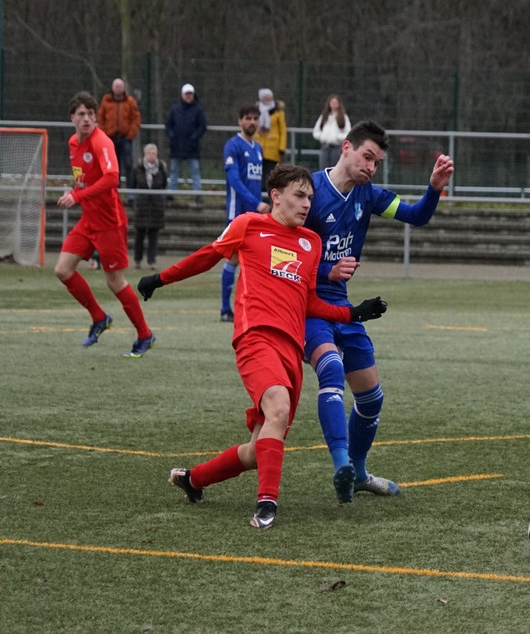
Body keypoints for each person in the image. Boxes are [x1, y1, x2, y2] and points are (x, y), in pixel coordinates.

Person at [137, 163, 388, 530]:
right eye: (299, 195)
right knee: (278, 408)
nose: (307, 204)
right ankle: (267, 505)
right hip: (255, 337)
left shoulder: (311, 243)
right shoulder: (248, 225)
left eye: (310, 197)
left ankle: (193, 480)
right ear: (276, 196)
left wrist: (353, 313)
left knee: (258, 449)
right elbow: (208, 256)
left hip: (291, 348)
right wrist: (160, 279)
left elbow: (310, 302)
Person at [304, 120, 454, 503]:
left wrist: (434, 188)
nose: (371, 167)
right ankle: (342, 466)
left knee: (371, 398)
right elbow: (283, 253)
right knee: (331, 369)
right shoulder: (309, 191)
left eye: (377, 162)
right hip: (305, 304)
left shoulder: (367, 196)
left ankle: (358, 473)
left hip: (342, 306)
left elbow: (416, 216)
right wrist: (325, 270)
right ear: (346, 148)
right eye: (367, 157)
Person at [54, 91, 156, 357]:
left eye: (91, 114)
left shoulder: (102, 142)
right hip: (89, 221)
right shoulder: (73, 143)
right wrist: (74, 192)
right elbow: (84, 179)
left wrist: (77, 197)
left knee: (115, 282)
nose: (87, 119)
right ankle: (99, 318)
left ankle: (145, 334)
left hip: (110, 223)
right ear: (72, 118)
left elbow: (112, 178)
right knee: (63, 270)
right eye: (81, 114)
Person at [220, 105, 269, 322]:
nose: (252, 122)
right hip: (238, 213)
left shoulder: (258, 148)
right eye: (248, 118)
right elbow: (234, 181)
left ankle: (252, 307)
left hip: (255, 214)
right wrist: (256, 203)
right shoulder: (233, 146)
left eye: (255, 118)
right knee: (233, 259)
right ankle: (225, 309)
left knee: (255, 260)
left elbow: (254, 183)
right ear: (240, 121)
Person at [127, 143, 169, 270]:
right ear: (145, 154)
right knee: (139, 235)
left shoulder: (161, 168)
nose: (152, 156)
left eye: (154, 153)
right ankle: (137, 260)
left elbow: (164, 183)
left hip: (156, 206)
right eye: (149, 153)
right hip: (142, 206)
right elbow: (133, 183)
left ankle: (152, 261)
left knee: (153, 236)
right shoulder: (138, 168)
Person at [165, 83, 207, 203]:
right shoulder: (175, 109)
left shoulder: (198, 110)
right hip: (177, 145)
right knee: (174, 170)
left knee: (195, 170)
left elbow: (202, 126)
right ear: (182, 95)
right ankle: (170, 192)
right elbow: (168, 125)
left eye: (190, 94)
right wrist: (172, 136)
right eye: (186, 94)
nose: (188, 96)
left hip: (192, 146)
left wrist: (194, 138)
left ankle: (197, 193)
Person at [98, 78, 141, 191]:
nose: (118, 89)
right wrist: (104, 135)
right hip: (110, 139)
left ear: (123, 88)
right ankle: (114, 188)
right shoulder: (106, 101)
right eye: (116, 86)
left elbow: (136, 119)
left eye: (120, 86)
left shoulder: (130, 101)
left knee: (128, 163)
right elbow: (101, 119)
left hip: (125, 138)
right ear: (112, 88)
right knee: (113, 165)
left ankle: (130, 190)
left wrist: (130, 135)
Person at [256, 88, 287, 189]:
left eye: (270, 96)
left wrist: (282, 147)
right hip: (258, 147)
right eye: (266, 96)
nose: (268, 98)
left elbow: (282, 130)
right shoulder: (257, 111)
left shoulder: (278, 112)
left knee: (270, 174)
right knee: (258, 175)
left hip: (273, 148)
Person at [312, 94, 351, 169]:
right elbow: (316, 131)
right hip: (325, 147)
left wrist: (336, 137)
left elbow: (348, 133)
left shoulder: (344, 117)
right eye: (332, 102)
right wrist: (322, 136)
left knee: (334, 169)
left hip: (337, 148)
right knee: (323, 169)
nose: (334, 105)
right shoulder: (324, 116)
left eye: (335, 103)